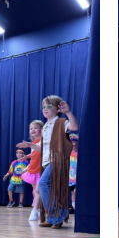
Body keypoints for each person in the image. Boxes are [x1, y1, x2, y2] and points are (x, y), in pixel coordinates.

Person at [16, 96, 77, 228]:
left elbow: (74, 126)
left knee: (43, 184)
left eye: (49, 106)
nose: (45, 109)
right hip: (46, 161)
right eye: (43, 107)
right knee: (48, 189)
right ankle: (54, 218)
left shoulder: (60, 122)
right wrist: (30, 145)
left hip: (57, 159)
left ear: (58, 109)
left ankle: (59, 213)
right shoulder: (45, 127)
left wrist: (67, 112)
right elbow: (43, 148)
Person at [21, 122, 44, 220]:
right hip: (33, 170)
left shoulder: (43, 140)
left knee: (38, 190)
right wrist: (27, 159)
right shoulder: (33, 143)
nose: (33, 130)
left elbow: (41, 150)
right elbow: (34, 156)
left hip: (41, 170)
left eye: (35, 128)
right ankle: (38, 209)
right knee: (35, 191)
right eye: (31, 129)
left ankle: (34, 210)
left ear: (42, 130)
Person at [68, 134, 78, 213]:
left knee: (76, 191)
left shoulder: (79, 153)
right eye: (71, 142)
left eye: (75, 142)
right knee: (72, 193)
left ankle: (78, 206)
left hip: (78, 177)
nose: (73, 144)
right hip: (71, 178)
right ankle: (73, 207)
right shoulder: (68, 153)